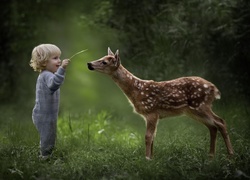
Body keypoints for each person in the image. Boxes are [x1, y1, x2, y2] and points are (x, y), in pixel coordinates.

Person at [30, 44, 70, 159]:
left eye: (59, 57)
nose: (59, 60)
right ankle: (44, 157)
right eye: (55, 58)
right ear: (43, 61)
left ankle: (47, 154)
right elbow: (54, 84)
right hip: (43, 115)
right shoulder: (46, 75)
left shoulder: (48, 74)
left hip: (48, 114)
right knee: (47, 137)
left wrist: (60, 70)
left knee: (50, 136)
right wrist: (62, 69)